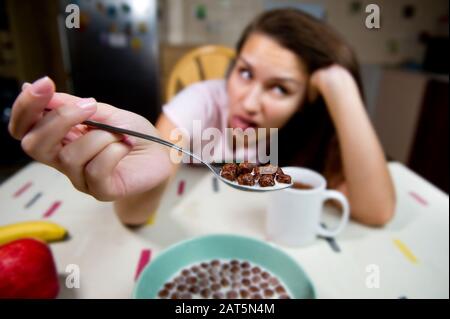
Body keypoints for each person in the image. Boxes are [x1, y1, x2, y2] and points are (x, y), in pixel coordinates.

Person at [8, 9, 395, 227]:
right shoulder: (201, 103)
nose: (250, 100)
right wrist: (154, 168)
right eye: (244, 72)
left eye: (280, 88)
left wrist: (342, 87)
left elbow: (376, 212)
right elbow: (132, 215)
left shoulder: (308, 131)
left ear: (307, 102)